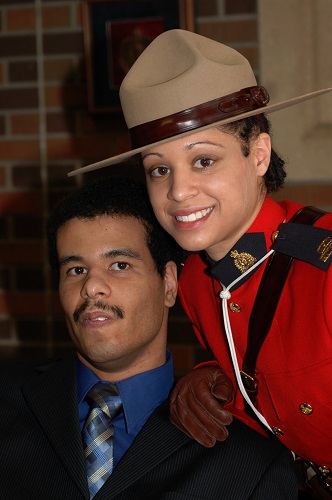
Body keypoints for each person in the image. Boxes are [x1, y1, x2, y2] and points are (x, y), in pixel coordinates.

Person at [69, 29, 332, 495]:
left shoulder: (322, 266)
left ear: (258, 155)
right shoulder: (195, 283)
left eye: (204, 161)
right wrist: (213, 373)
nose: (178, 191)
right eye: (159, 168)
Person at [0, 176, 298, 499]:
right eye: (75, 270)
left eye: (119, 264)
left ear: (169, 283)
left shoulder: (249, 465)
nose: (91, 287)